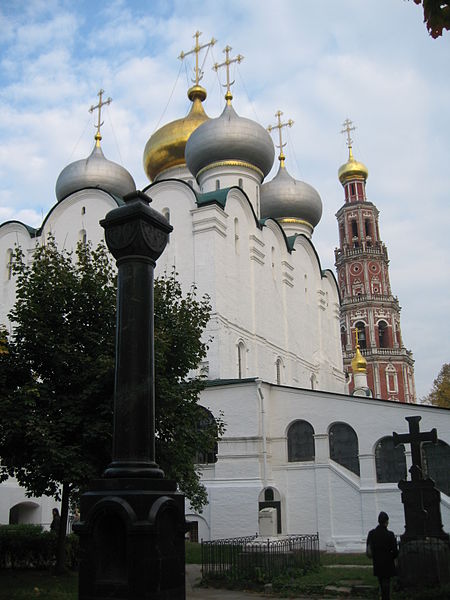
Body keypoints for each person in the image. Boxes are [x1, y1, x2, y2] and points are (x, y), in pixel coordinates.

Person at [366, 511, 398, 600]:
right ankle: (386, 597)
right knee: (386, 581)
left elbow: (369, 548)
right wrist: (392, 557)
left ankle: (383, 596)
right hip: (388, 562)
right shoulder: (390, 534)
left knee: (381, 580)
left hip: (377, 561)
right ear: (386, 522)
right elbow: (395, 551)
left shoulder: (372, 533)